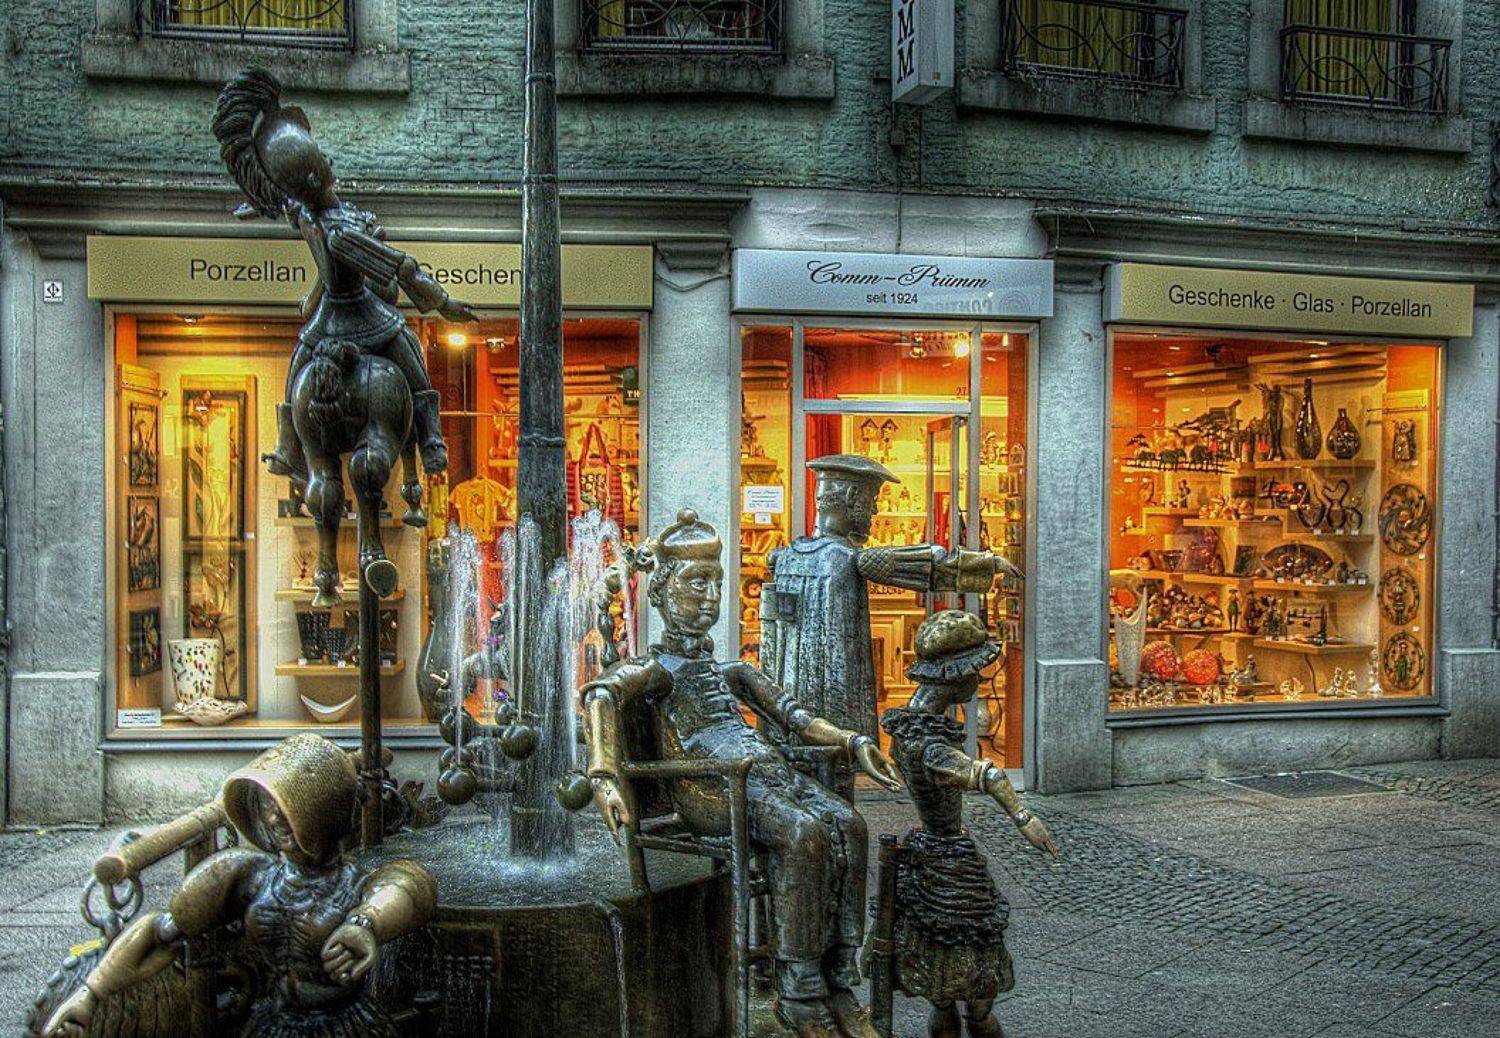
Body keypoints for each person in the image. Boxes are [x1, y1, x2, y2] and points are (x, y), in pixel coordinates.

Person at [581, 508, 902, 1038]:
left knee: (849, 823)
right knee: (802, 834)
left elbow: (795, 716)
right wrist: (603, 775)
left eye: (717, 582)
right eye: (696, 582)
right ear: (661, 591)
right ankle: (800, 991)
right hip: (710, 789)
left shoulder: (732, 670)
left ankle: (838, 977)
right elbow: (600, 693)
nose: (711, 597)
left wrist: (853, 741)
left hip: (762, 774)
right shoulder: (656, 671)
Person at [44, 734, 436, 1037]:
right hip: (275, 1022)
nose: (274, 819)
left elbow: (409, 886)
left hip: (343, 1026)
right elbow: (161, 932)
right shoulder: (250, 875)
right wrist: (89, 995)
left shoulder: (355, 885)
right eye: (267, 807)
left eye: (286, 808)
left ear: (322, 812)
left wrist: (365, 924)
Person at [213, 67, 475, 480]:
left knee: (297, 366)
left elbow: (283, 204)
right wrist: (443, 303)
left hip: (325, 319)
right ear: (315, 176)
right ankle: (430, 439)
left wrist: (257, 204)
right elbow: (398, 265)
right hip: (362, 313)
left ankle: (288, 444)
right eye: (323, 159)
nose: (329, 159)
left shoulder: (306, 213)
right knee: (412, 360)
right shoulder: (340, 233)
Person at [760, 454, 1020, 795]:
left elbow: (770, 640)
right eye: (871, 501)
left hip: (789, 709)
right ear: (851, 498)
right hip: (837, 707)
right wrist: (988, 564)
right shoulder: (848, 558)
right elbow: (928, 565)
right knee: (837, 784)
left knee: (800, 786)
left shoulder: (783, 558)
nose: (874, 511)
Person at [878, 611, 1057, 1038]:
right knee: (973, 976)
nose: (979, 679)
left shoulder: (910, 724)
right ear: (955, 675)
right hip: (949, 862)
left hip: (927, 852)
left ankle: (956, 1013)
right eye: (975, 671)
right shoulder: (928, 743)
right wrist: (1025, 818)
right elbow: (988, 776)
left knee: (943, 984)